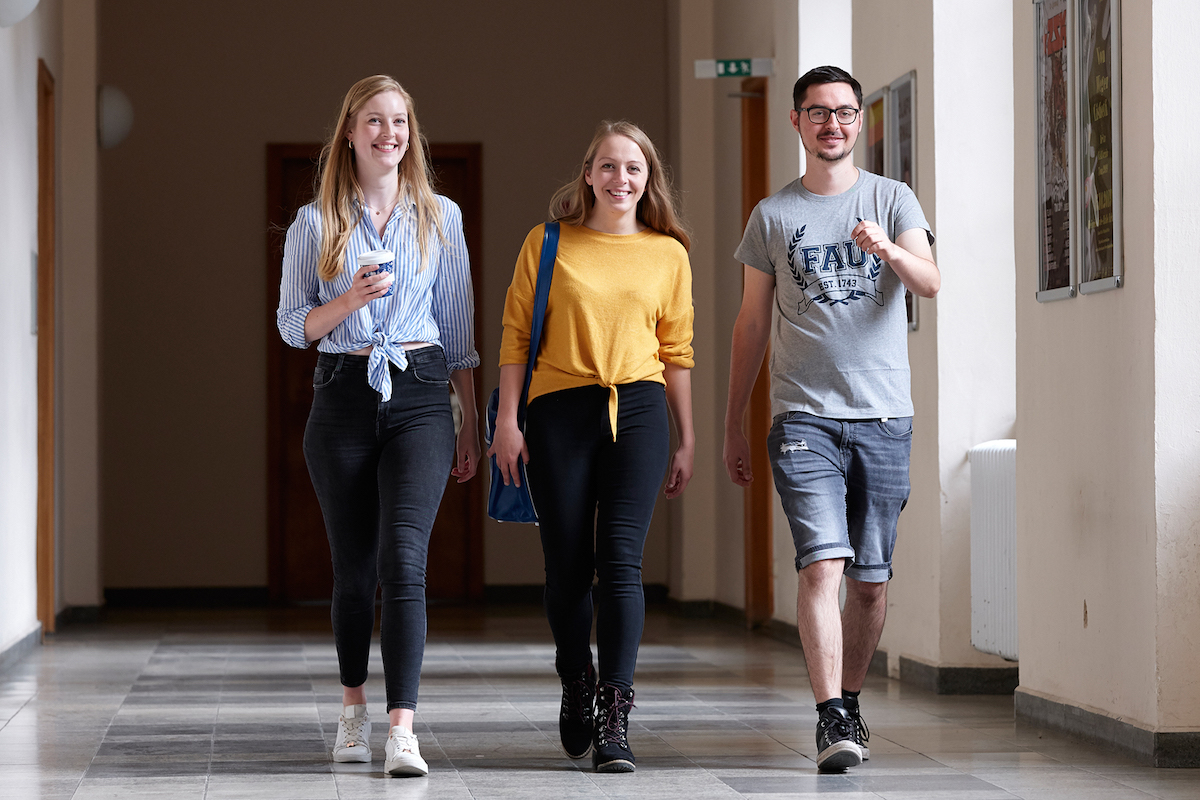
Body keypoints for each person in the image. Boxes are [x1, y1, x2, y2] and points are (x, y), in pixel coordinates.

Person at [723, 65, 939, 773]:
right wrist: (732, 422)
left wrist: (891, 251)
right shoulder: (773, 215)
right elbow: (751, 326)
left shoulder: (892, 197)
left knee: (870, 582)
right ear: (796, 122)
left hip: (883, 417)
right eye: (818, 113)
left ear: (859, 121)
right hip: (803, 419)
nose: (833, 125)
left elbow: (931, 282)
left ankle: (848, 701)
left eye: (844, 113)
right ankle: (829, 720)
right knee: (823, 564)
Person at [277, 75, 479, 778]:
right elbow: (292, 325)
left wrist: (471, 416)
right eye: (374, 121)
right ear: (350, 134)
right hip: (341, 394)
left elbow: (457, 329)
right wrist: (349, 301)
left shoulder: (441, 217)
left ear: (410, 135)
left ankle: (403, 730)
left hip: (422, 392)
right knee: (355, 571)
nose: (388, 133)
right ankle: (352, 710)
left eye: (399, 122)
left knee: (405, 561)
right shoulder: (315, 223)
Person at [488, 121, 695, 774]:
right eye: (608, 167)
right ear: (587, 174)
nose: (620, 179)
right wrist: (507, 423)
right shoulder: (548, 242)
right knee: (569, 564)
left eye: (633, 168)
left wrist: (687, 437)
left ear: (648, 178)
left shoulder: (669, 253)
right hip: (558, 413)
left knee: (621, 562)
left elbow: (677, 352)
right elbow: (516, 335)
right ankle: (575, 677)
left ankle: (615, 713)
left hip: (637, 410)